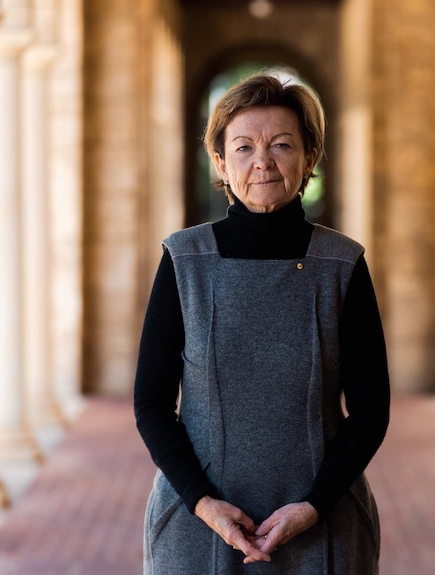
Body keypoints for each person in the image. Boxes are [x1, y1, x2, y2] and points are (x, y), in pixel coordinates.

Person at [134, 73, 390, 574]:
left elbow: (370, 408)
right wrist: (205, 504)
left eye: (281, 145)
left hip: (324, 519)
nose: (263, 161)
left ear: (309, 158)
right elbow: (151, 403)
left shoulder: (342, 264)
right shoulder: (184, 260)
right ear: (221, 162)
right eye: (244, 146)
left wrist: (313, 505)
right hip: (197, 523)